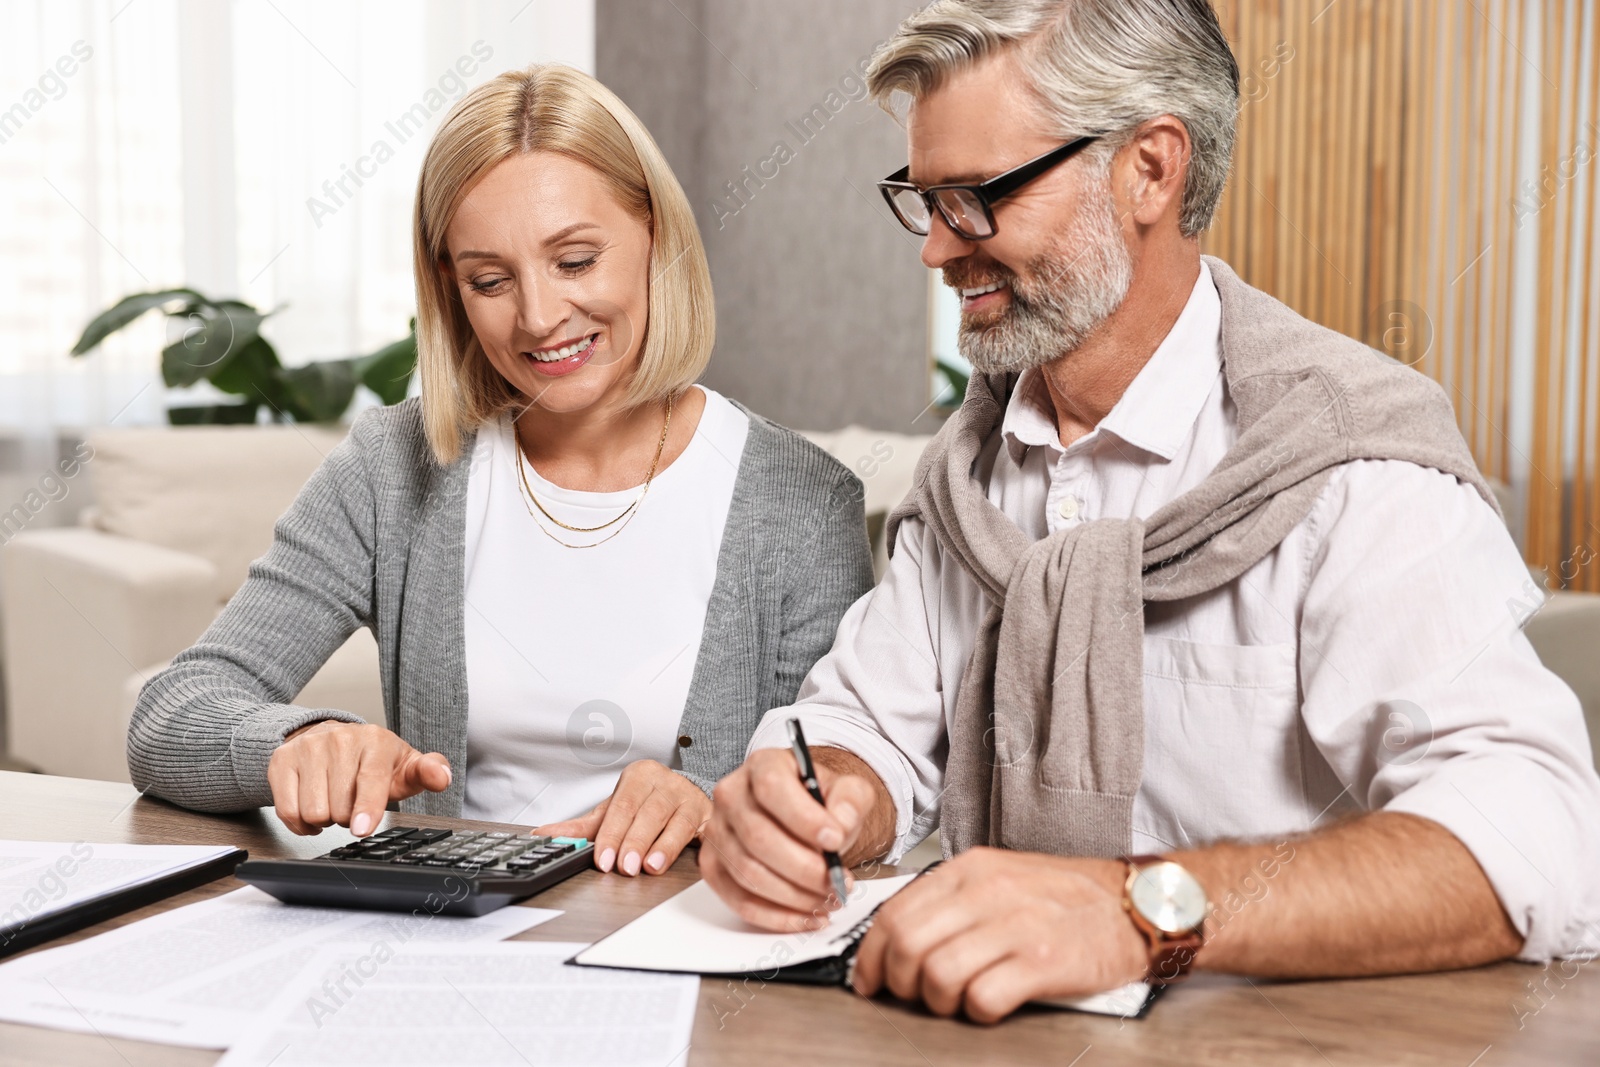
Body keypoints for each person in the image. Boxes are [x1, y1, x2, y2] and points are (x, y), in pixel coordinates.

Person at [700, 0, 1600, 1023]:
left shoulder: (1346, 462)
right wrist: (826, 798)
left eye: (976, 198)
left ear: (1149, 170)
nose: (937, 252)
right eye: (925, 198)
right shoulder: (969, 476)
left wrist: (1134, 910)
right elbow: (865, 724)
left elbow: (1533, 831)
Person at [127, 64, 873, 879]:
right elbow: (170, 716)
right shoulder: (394, 469)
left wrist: (712, 800)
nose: (540, 316)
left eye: (577, 261)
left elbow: (836, 786)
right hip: (440, 944)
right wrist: (294, 744)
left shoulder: (802, 501)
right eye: (490, 279)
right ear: (451, 289)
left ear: (657, 236)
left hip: (672, 952)